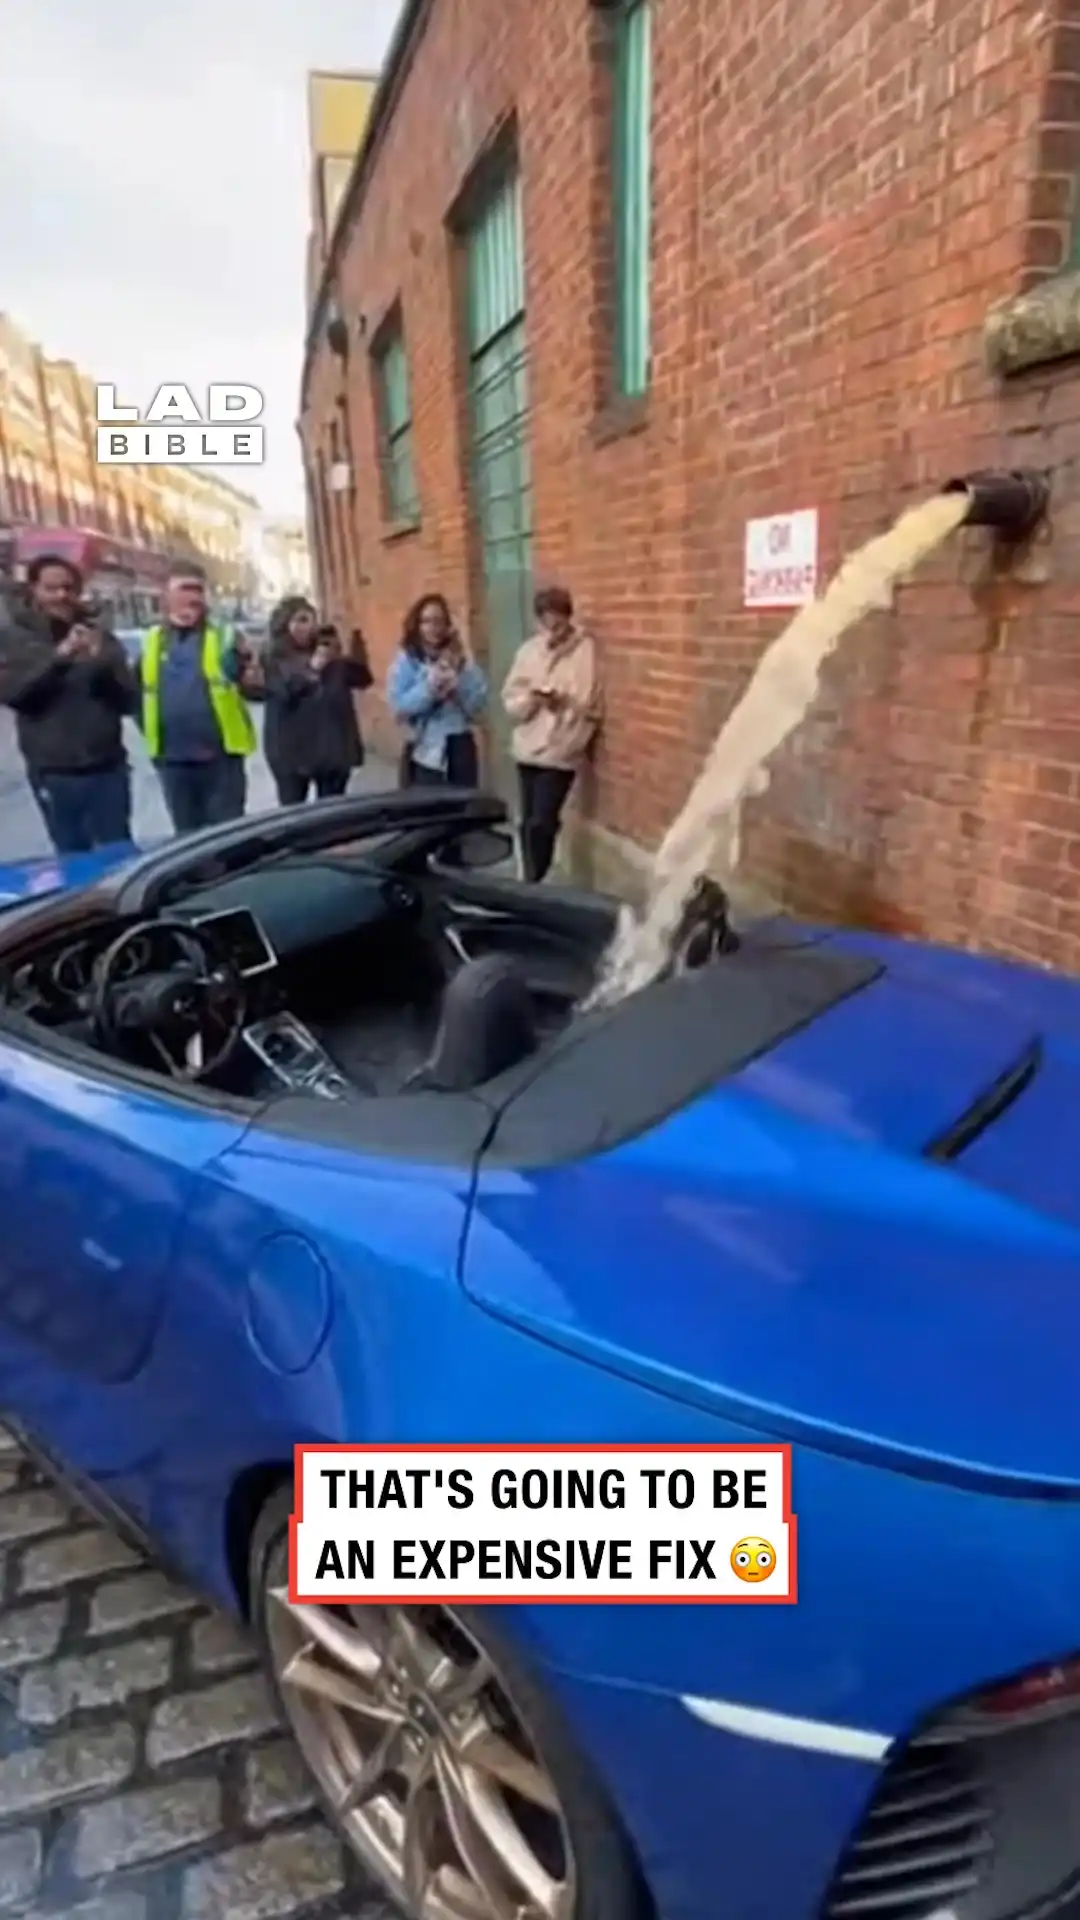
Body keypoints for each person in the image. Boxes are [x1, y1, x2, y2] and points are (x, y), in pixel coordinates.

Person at [0, 553, 137, 854]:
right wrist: (60, 658)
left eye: (69, 588)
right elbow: (15, 694)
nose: (61, 596)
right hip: (55, 774)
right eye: (51, 588)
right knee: (73, 857)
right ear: (34, 590)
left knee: (119, 854)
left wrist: (102, 662)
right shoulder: (15, 638)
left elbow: (129, 701)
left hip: (107, 768)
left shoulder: (99, 635)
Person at [140, 564, 258, 833]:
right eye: (185, 589)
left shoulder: (225, 636)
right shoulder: (153, 639)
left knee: (227, 835)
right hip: (173, 759)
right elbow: (139, 694)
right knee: (187, 837)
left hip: (220, 758)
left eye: (198, 590)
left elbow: (253, 686)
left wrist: (248, 665)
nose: (193, 597)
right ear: (166, 595)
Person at [501, 585, 603, 882]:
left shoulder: (585, 651)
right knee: (526, 821)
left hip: (561, 748)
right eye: (546, 621)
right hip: (528, 745)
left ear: (568, 617)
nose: (552, 629)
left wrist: (563, 703)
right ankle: (528, 877)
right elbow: (511, 698)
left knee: (542, 820)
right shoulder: (529, 651)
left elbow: (590, 702)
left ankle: (537, 878)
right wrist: (532, 700)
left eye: (558, 621)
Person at [263, 599, 373, 805]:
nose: (308, 626)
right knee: (294, 814)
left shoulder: (330, 651)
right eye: (301, 620)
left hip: (332, 752)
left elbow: (363, 678)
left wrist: (355, 642)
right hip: (291, 754)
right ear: (284, 623)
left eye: (312, 620)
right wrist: (313, 669)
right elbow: (286, 691)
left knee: (332, 814)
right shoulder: (274, 657)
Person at [387, 594, 487, 786]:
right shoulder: (408, 660)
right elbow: (399, 707)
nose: (434, 628)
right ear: (417, 625)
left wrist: (458, 686)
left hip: (459, 743)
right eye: (427, 621)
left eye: (439, 621)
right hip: (425, 748)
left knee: (462, 801)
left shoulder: (462, 658)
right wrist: (430, 689)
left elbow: (479, 705)